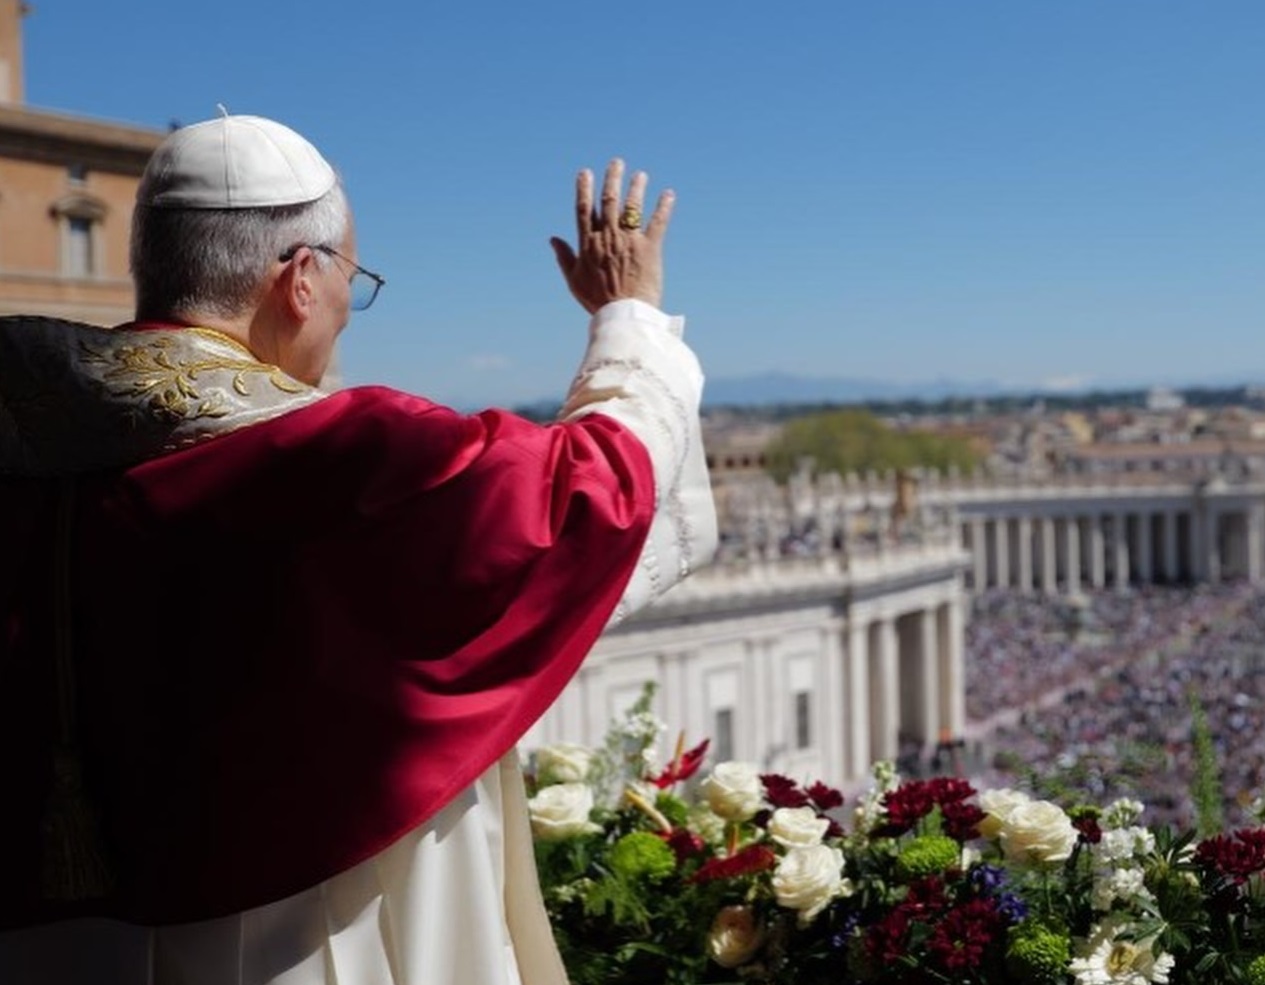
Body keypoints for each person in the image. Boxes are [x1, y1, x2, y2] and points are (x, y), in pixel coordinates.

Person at [0, 114, 716, 984]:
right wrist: (629, 312)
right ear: (300, 278)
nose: (346, 312)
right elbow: (593, 490)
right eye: (353, 281)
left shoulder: (24, 436)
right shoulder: (351, 459)